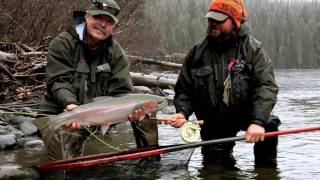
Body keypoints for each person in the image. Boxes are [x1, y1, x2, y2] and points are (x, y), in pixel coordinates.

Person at [33, 0, 158, 161]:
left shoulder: (116, 53)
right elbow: (58, 81)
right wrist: (71, 106)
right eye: (98, 17)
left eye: (109, 21)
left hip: (102, 115)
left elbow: (123, 92)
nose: (103, 24)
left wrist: (134, 112)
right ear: (87, 16)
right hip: (63, 112)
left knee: (145, 102)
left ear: (114, 27)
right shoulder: (62, 44)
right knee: (65, 165)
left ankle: (150, 162)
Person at [165, 0, 280, 167]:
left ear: (235, 22)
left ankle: (266, 171)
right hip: (212, 122)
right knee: (215, 170)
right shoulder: (197, 53)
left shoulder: (253, 50)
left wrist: (257, 122)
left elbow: (266, 87)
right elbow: (184, 90)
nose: (213, 24)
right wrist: (182, 113)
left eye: (219, 20)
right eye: (211, 19)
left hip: (245, 114)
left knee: (269, 124)